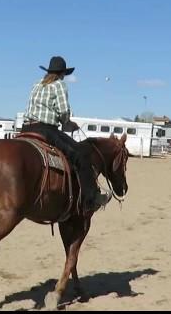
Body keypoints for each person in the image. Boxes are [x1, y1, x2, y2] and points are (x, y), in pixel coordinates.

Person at [22, 56, 111, 216]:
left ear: (48, 71)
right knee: (80, 156)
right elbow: (63, 112)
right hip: (45, 129)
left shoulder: (37, 84)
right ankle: (91, 198)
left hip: (26, 128)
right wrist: (68, 123)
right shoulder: (59, 85)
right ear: (62, 73)